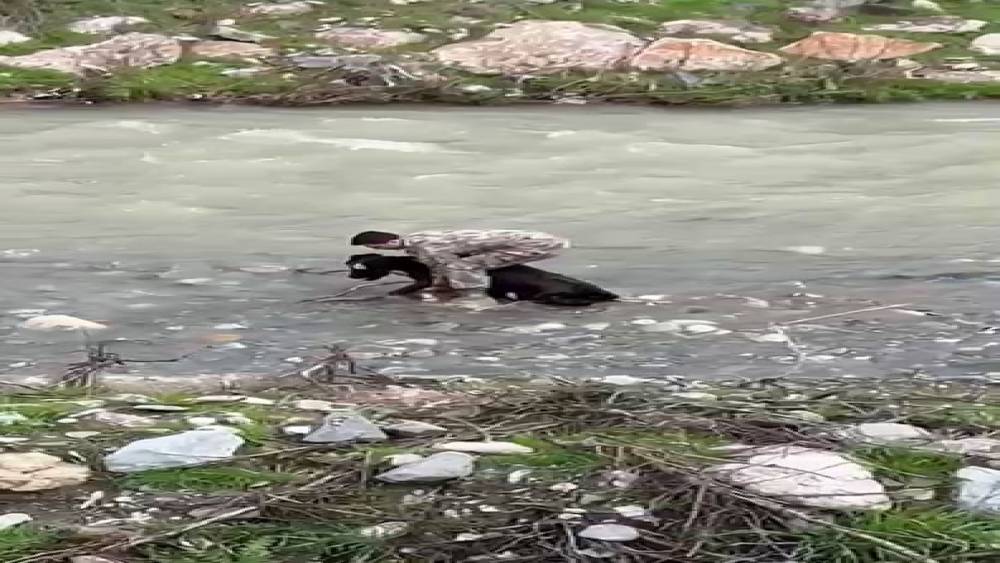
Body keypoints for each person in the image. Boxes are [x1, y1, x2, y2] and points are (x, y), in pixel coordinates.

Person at [350, 229, 570, 292]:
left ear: (388, 244)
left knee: (462, 266)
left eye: (373, 247)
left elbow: (444, 264)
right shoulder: (419, 237)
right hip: (534, 237)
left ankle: (475, 296)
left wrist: (442, 287)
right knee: (462, 262)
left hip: (536, 244)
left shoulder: (425, 245)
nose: (372, 249)